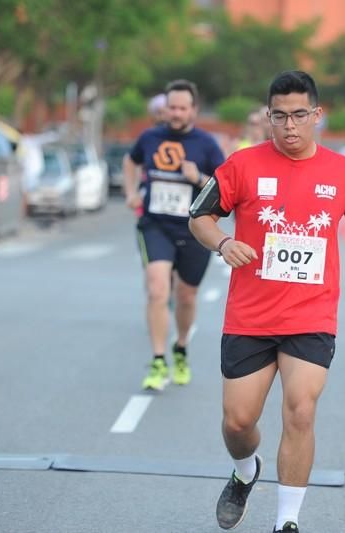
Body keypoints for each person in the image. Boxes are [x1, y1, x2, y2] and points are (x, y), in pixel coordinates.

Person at [189, 70, 345, 533]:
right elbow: (198, 216)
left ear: (317, 115)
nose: (289, 126)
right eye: (279, 116)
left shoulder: (343, 172)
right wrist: (223, 243)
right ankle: (246, 471)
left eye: (299, 115)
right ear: (268, 116)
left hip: (312, 314)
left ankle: (287, 521)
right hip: (250, 315)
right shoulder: (242, 165)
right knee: (238, 422)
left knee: (301, 409)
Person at [123, 79, 225, 391]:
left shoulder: (206, 145)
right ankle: (157, 359)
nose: (176, 113)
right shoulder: (150, 137)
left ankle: (180, 347)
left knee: (186, 295)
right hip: (156, 225)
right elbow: (131, 160)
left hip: (195, 229)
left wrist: (198, 178)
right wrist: (131, 192)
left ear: (194, 110)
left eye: (183, 108)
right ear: (164, 108)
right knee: (157, 289)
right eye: (172, 107)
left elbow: (224, 188)